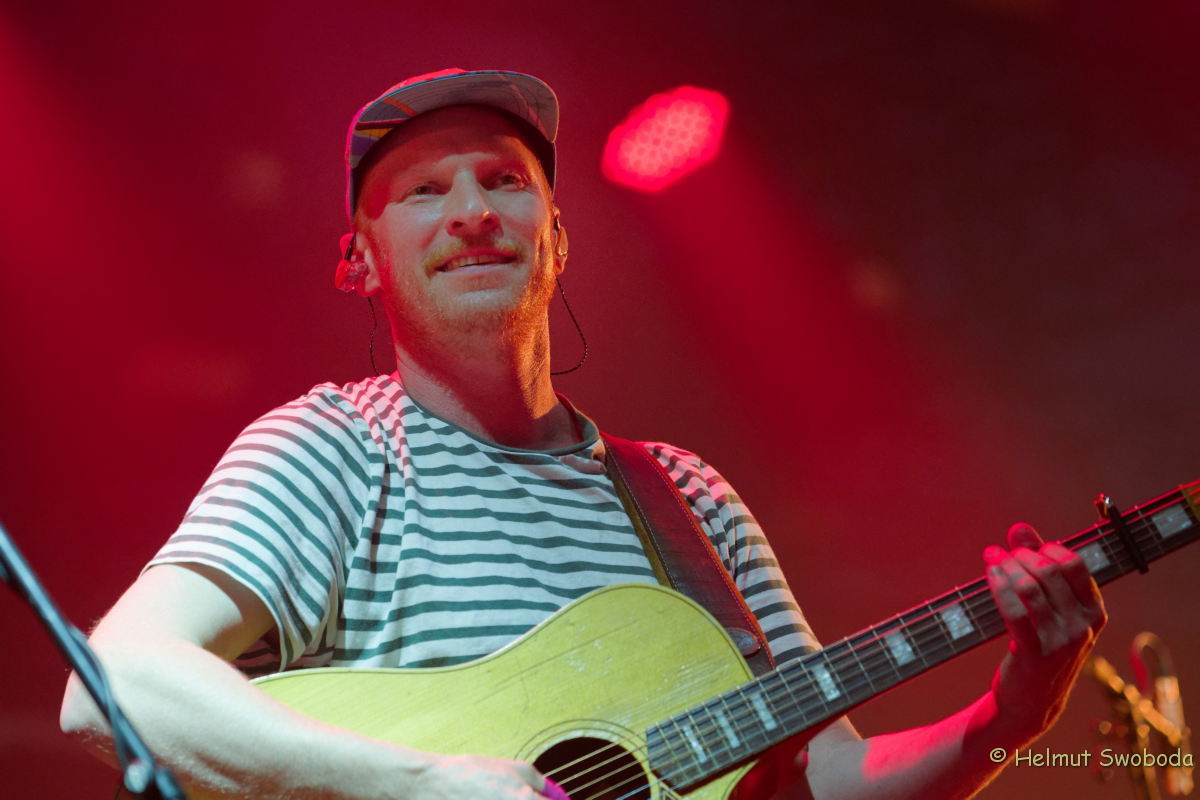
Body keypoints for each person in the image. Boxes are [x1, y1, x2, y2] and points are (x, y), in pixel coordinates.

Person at [60, 69, 1107, 800]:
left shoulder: (689, 498)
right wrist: (416, 781)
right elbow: (113, 685)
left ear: (556, 239)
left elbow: (825, 775)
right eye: (423, 191)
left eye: (505, 181)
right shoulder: (328, 449)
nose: (472, 212)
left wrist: (1008, 716)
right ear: (360, 261)